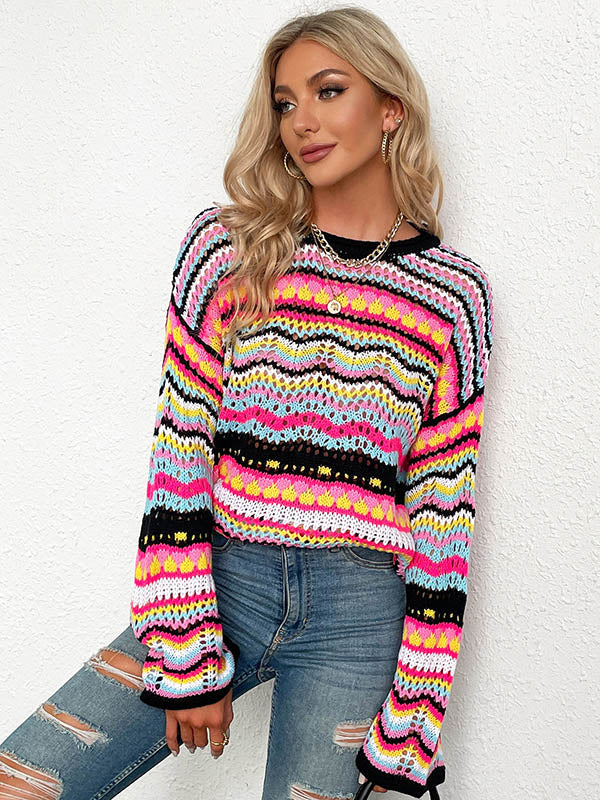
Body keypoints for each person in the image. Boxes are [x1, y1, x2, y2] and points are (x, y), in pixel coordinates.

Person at [0, 6, 494, 800]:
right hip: (225, 577)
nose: (302, 122)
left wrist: (417, 710)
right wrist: (185, 643)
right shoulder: (227, 251)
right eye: (285, 102)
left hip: (359, 615)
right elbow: (180, 448)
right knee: (22, 780)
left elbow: (445, 508)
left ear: (390, 108)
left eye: (328, 91)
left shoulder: (453, 297)